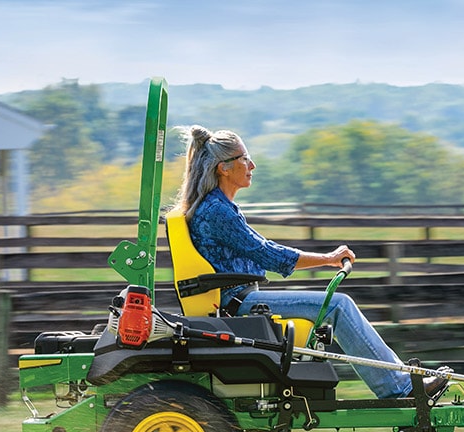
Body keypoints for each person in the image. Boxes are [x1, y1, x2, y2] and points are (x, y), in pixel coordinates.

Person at [173, 125, 445, 399]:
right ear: (224, 168)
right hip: (238, 305)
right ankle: (399, 387)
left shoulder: (219, 207)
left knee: (338, 305)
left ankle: (400, 382)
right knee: (339, 305)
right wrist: (328, 259)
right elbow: (269, 255)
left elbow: (265, 248)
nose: (252, 165)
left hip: (240, 298)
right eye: (244, 158)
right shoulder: (218, 211)